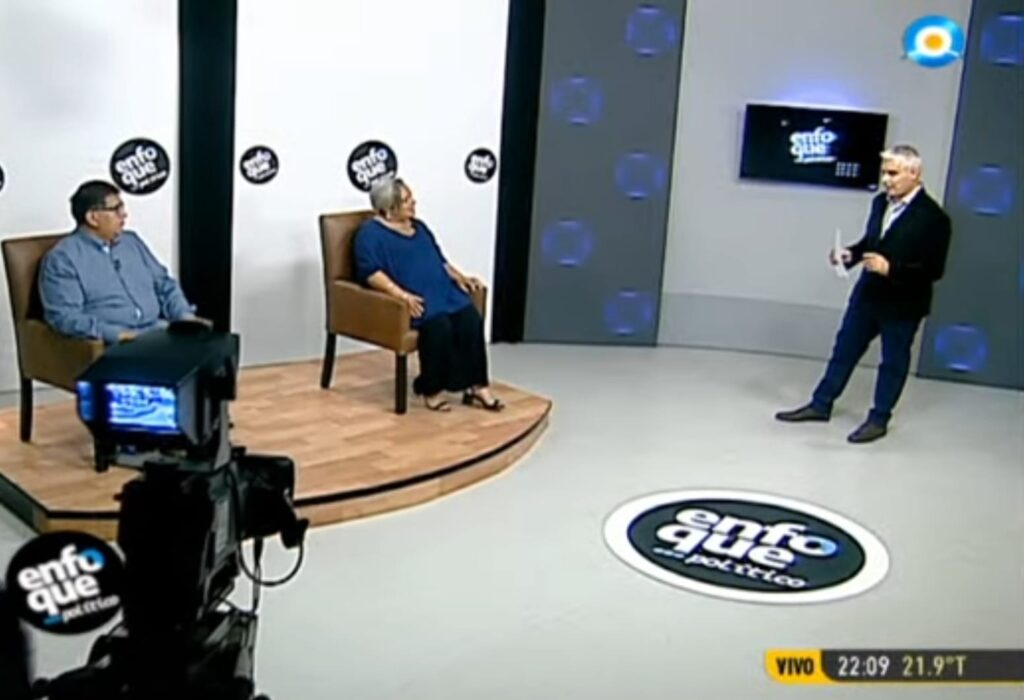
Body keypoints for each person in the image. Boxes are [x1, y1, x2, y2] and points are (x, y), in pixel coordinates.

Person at [775, 145, 952, 443]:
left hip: (903, 305)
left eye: (893, 173)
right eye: (884, 173)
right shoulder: (880, 203)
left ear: (914, 173)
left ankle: (879, 419)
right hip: (867, 296)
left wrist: (891, 268)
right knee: (844, 350)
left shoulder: (934, 218)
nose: (886, 180)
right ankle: (821, 404)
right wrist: (851, 255)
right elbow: (872, 243)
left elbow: (934, 270)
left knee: (892, 362)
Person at [354, 176, 503, 412]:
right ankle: (431, 390)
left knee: (469, 319)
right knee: (438, 326)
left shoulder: (419, 227)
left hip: (443, 290)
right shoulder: (369, 235)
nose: (414, 202)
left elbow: (440, 261)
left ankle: (478, 386)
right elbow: (371, 273)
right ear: (389, 209)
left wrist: (460, 277)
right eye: (406, 200)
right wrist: (401, 295)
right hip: (416, 297)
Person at [39, 180, 196, 345]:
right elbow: (65, 317)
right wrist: (116, 334)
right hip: (116, 344)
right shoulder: (63, 259)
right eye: (116, 209)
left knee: (211, 348)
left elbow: (164, 284)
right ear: (93, 217)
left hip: (158, 331)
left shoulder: (131, 242)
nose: (124, 215)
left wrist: (184, 316)